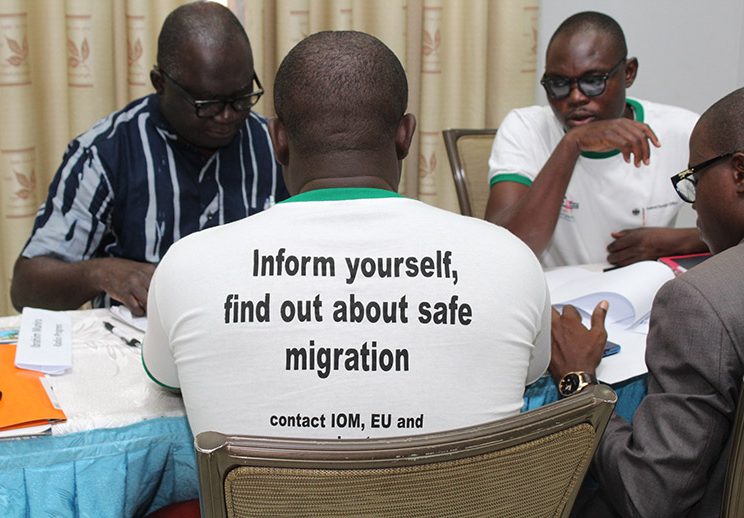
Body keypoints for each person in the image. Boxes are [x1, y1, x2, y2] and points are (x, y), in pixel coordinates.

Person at [141, 30, 551, 441]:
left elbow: (168, 380)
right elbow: (531, 375)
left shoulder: (186, 265)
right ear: (405, 136)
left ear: (278, 140)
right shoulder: (510, 260)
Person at [10, 1, 288, 316]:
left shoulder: (273, 146)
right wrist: (102, 273)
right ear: (160, 83)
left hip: (247, 334)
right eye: (207, 103)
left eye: (241, 98)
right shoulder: (105, 154)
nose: (227, 116)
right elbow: (26, 289)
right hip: (137, 349)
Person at [550, 87, 744, 517]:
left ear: (740, 173)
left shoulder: (699, 301)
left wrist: (579, 382)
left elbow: (649, 500)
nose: (692, 204)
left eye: (694, 178)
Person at [485, 11, 706, 268]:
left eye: (592, 81)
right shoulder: (526, 128)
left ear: (628, 73)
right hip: (555, 296)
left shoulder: (682, 131)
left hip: (645, 293)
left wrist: (678, 242)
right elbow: (500, 249)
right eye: (558, 84)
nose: (576, 97)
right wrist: (572, 144)